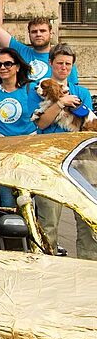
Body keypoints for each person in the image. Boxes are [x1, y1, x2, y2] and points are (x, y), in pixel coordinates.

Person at [31, 44, 96, 259]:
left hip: (81, 159)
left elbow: (87, 126)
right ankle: (47, 262)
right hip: (49, 158)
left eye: (68, 64)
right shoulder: (39, 88)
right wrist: (60, 103)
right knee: (48, 218)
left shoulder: (82, 92)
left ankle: (89, 265)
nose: (64, 67)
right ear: (51, 63)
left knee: (87, 218)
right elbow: (41, 124)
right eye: (60, 63)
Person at [0, 47, 40, 207]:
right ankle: (10, 230)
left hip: (27, 149)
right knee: (7, 199)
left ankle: (29, 231)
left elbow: (41, 119)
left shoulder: (31, 89)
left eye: (8, 64)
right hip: (3, 150)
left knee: (27, 197)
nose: (2, 68)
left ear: (18, 66)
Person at [0, 0, 79, 83]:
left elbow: (73, 90)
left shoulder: (63, 60)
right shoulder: (20, 51)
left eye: (43, 31)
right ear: (29, 35)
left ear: (51, 34)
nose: (38, 34)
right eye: (34, 31)